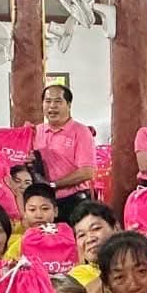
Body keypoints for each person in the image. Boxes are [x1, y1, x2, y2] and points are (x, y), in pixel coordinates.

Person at [35, 83, 97, 223]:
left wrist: (53, 185)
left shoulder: (81, 132)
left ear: (68, 105)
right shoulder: (37, 131)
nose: (52, 106)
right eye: (48, 101)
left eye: (58, 101)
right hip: (44, 204)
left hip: (73, 202)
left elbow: (87, 172)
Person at [69, 200, 119, 293]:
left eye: (96, 228)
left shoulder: (140, 266)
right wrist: (121, 261)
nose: (90, 239)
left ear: (116, 228)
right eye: (81, 235)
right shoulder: (76, 276)